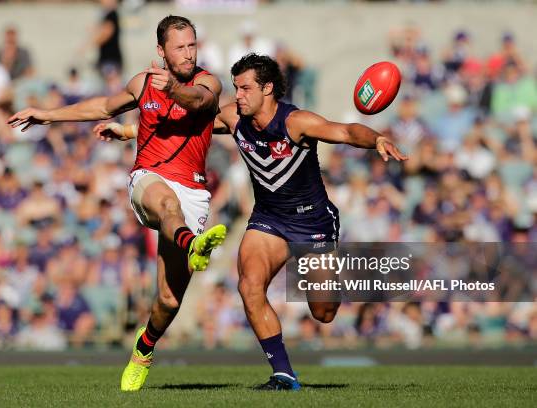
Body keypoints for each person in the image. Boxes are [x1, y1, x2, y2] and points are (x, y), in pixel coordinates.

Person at [102, 54, 407, 390]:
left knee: (324, 313)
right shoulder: (235, 117)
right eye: (235, 88)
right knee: (249, 285)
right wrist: (130, 130)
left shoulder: (297, 122)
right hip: (269, 220)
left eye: (245, 88)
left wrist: (376, 138)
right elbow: (190, 126)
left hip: (313, 223)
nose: (238, 95)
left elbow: (346, 131)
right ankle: (284, 374)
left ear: (268, 88)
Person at [8, 15, 227, 392]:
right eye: (180, 47)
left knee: (169, 301)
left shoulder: (208, 82)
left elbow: (199, 100)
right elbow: (103, 106)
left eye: (192, 45)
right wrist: (47, 115)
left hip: (193, 190)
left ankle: (143, 349)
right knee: (168, 205)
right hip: (149, 179)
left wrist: (173, 89)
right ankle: (193, 244)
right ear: (161, 51)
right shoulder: (142, 83)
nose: (189, 53)